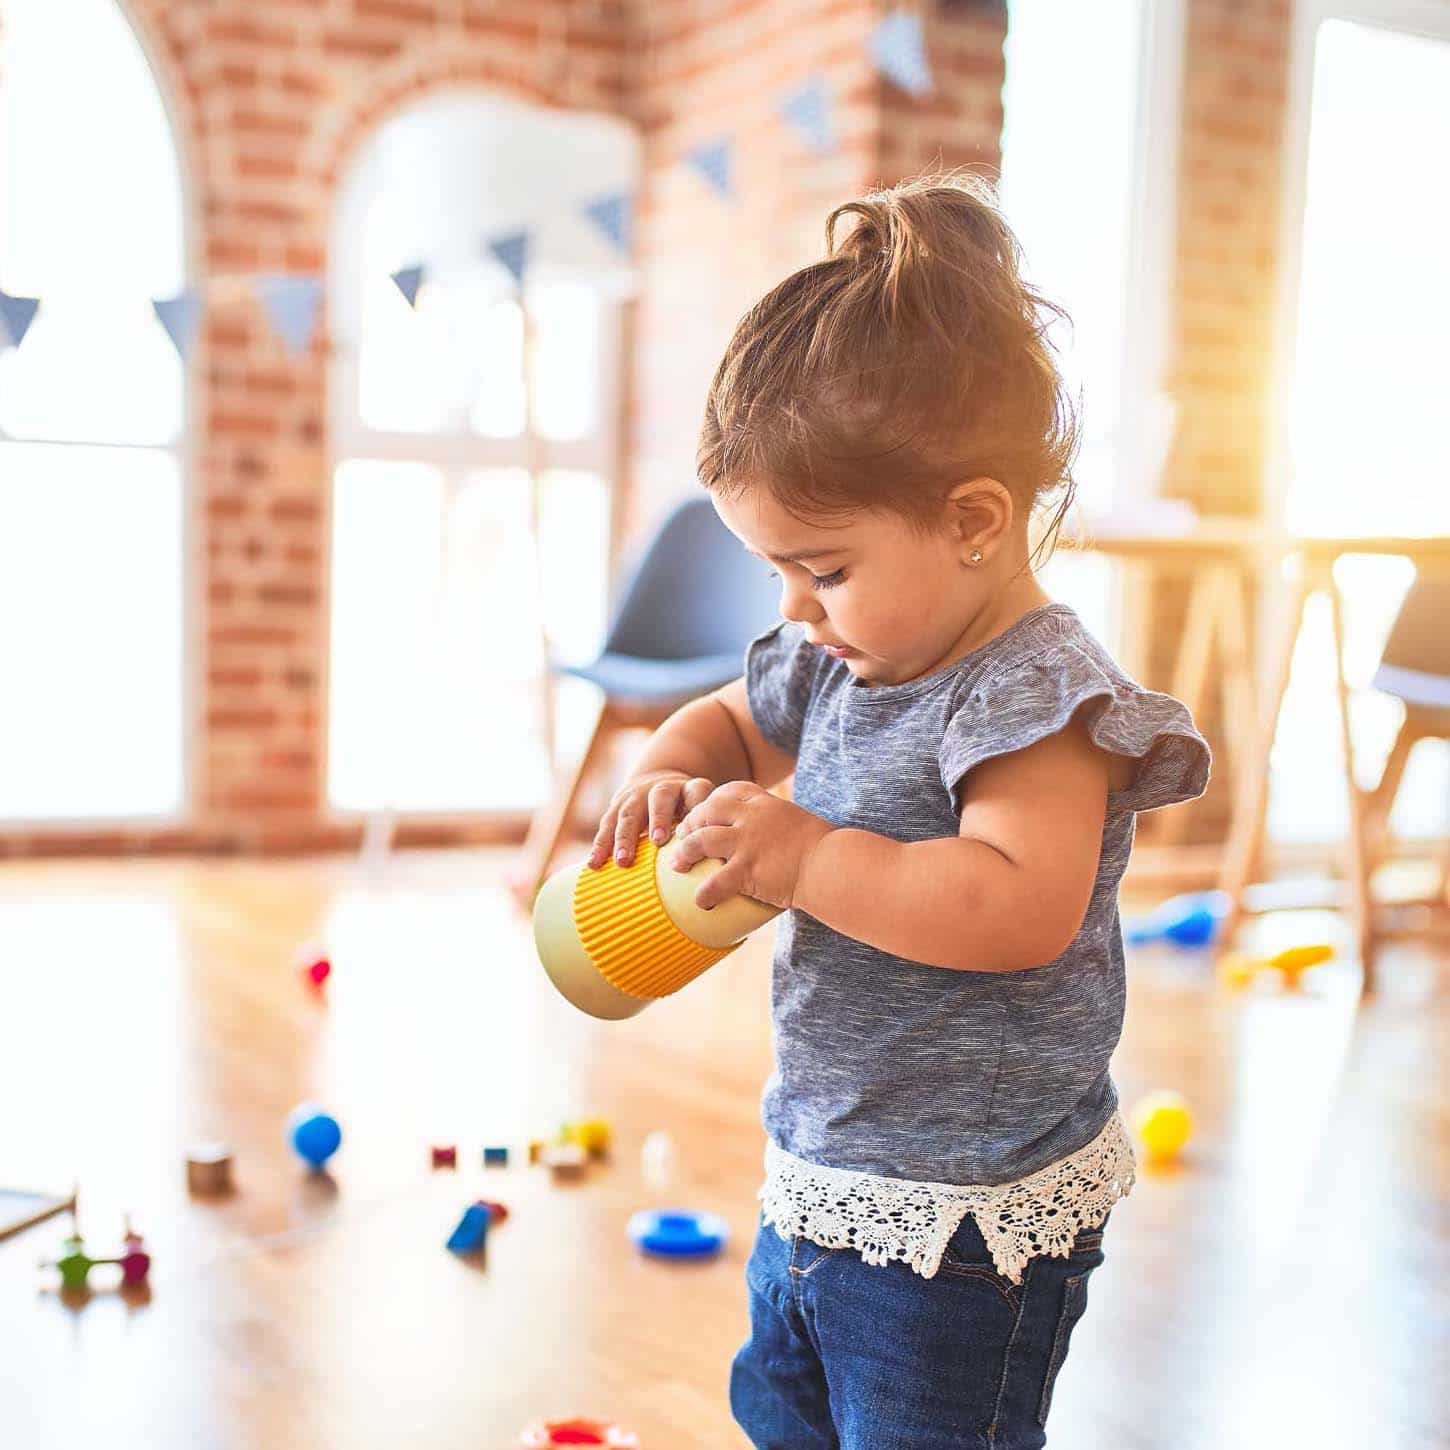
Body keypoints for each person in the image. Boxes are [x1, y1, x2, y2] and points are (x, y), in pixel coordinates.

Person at [586, 172, 1211, 1448]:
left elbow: (1013, 906)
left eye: (821, 570)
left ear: (973, 521)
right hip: (829, 1163)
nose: (793, 612)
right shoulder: (833, 654)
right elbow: (727, 719)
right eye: (777, 574)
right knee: (786, 1405)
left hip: (966, 1224)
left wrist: (808, 852)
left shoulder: (1034, 694)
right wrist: (670, 763)